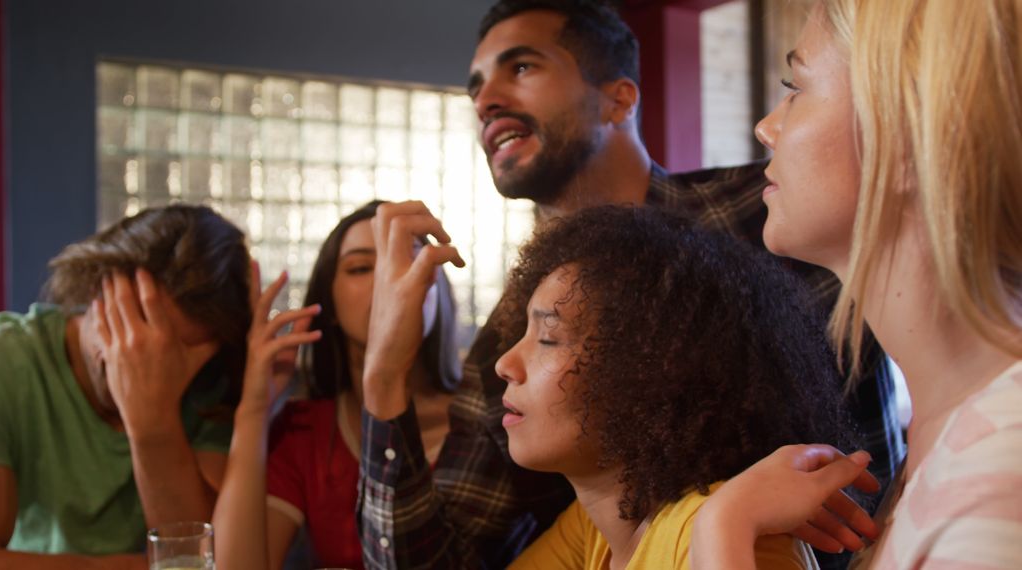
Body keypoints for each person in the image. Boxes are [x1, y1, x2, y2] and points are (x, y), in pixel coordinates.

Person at [357, 0, 903, 568]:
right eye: (475, 88)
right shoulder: (509, 342)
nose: (486, 100)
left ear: (619, 98)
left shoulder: (774, 212)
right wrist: (383, 375)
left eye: (521, 68)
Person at [687, 1, 1022, 568]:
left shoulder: (999, 484)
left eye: (797, 87)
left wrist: (719, 532)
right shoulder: (955, 435)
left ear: (914, 134)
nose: (767, 128)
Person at [494, 205, 852, 569]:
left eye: (549, 338)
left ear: (650, 370)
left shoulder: (743, 538)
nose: (504, 364)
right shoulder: (598, 524)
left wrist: (725, 523)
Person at [0, 205, 253, 569]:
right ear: (96, 288)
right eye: (132, 323)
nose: (137, 355)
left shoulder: (212, 389)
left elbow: (202, 558)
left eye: (172, 352)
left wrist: (151, 417)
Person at [212, 201, 462, 570]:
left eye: (408, 260)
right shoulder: (304, 432)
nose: (386, 280)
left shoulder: (491, 419)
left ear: (437, 292)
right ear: (328, 303)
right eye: (361, 268)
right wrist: (253, 411)